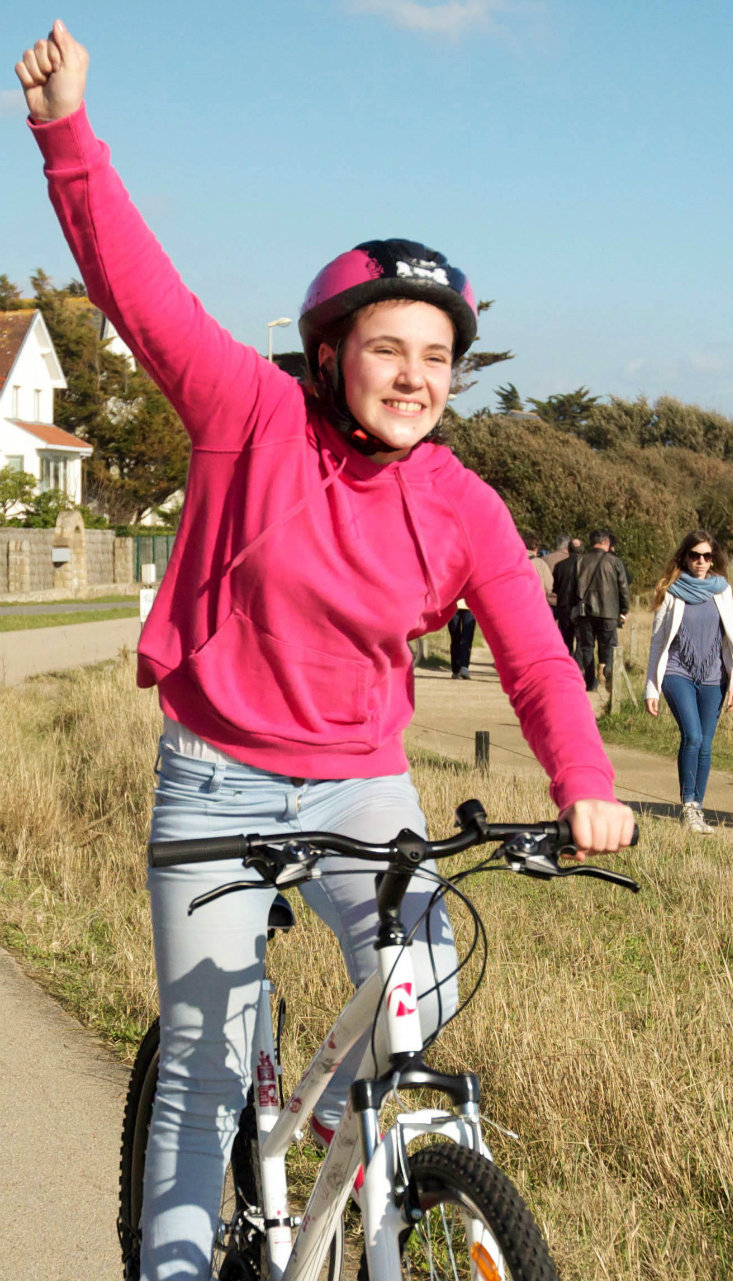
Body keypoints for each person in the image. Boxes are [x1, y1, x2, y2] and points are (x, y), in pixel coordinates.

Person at [15, 24, 635, 1280]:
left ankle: (326, 1142)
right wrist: (66, 131)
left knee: (429, 983)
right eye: (389, 348)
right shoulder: (248, 417)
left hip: (362, 782)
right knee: (199, 1063)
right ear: (335, 350)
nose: (413, 376)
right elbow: (135, 286)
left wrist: (587, 783)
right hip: (217, 774)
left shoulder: (461, 502)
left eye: (437, 358)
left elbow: (535, 657)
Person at [643, 530, 733, 832]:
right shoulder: (671, 590)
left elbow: (731, 636)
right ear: (684, 557)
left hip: (714, 676)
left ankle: (697, 808)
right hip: (677, 673)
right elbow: (658, 642)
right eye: (695, 556)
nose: (701, 562)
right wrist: (651, 686)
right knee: (694, 737)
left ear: (714, 559)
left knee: (707, 745)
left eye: (707, 556)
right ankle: (688, 806)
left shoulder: (722, 589)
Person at [571, 528, 630, 692]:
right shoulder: (614, 561)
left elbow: (573, 588)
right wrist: (624, 610)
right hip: (609, 612)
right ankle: (609, 674)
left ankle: (590, 682)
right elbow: (623, 587)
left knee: (587, 647)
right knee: (609, 645)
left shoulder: (580, 560)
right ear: (606, 542)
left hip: (585, 612)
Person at [550, 533, 584, 654]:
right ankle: (579, 665)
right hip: (581, 607)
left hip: (563, 606)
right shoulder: (586, 565)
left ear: (568, 550)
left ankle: (568, 660)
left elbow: (555, 588)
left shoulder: (559, 566)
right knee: (581, 639)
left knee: (566, 638)